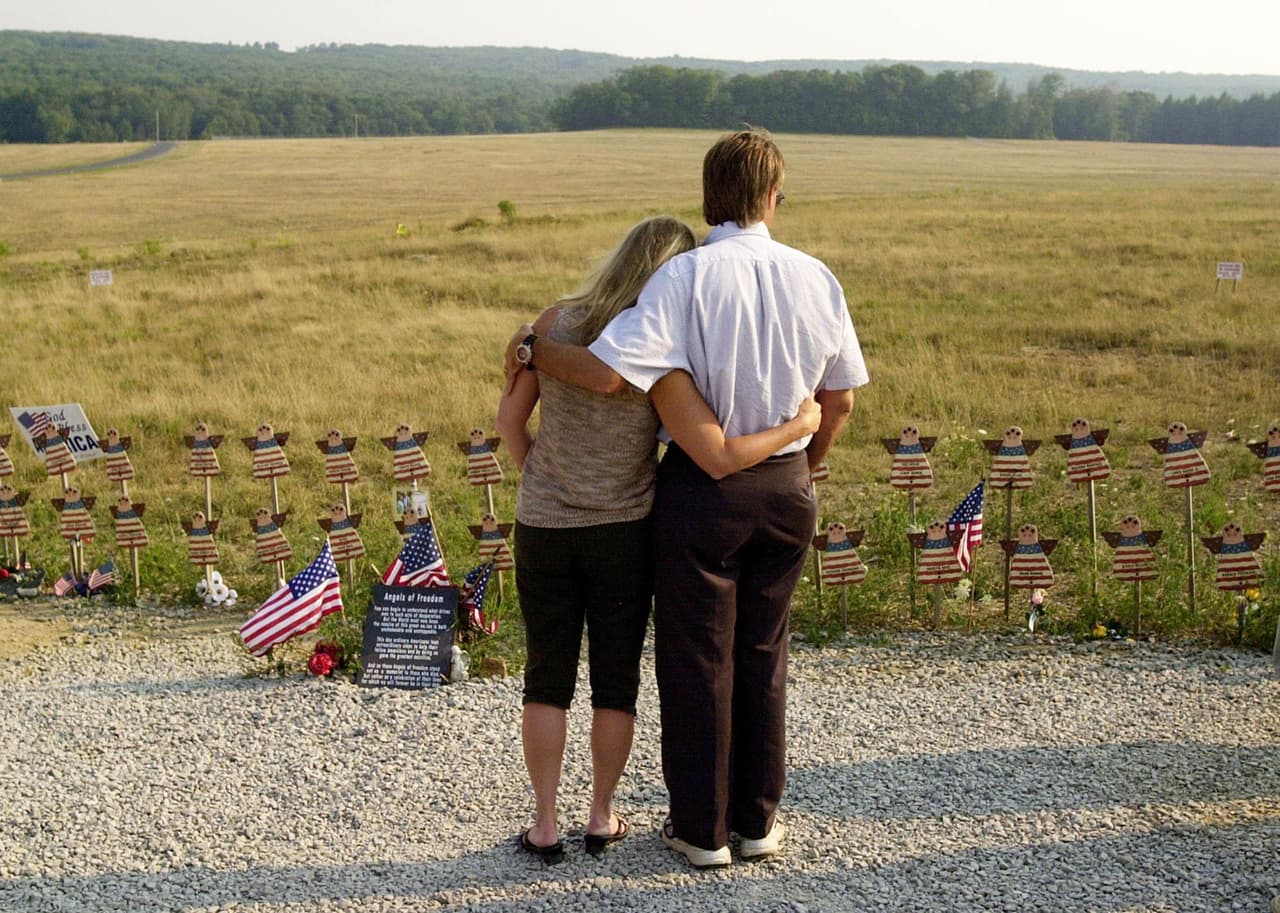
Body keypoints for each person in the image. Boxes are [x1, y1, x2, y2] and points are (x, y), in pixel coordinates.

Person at [505, 128, 868, 868]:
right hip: (787, 484)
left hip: (704, 490)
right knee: (766, 654)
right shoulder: (818, 276)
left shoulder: (683, 277)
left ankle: (702, 829)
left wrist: (532, 349)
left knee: (699, 659)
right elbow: (841, 399)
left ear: (709, 198)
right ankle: (758, 821)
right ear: (773, 197)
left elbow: (606, 373)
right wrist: (802, 464)